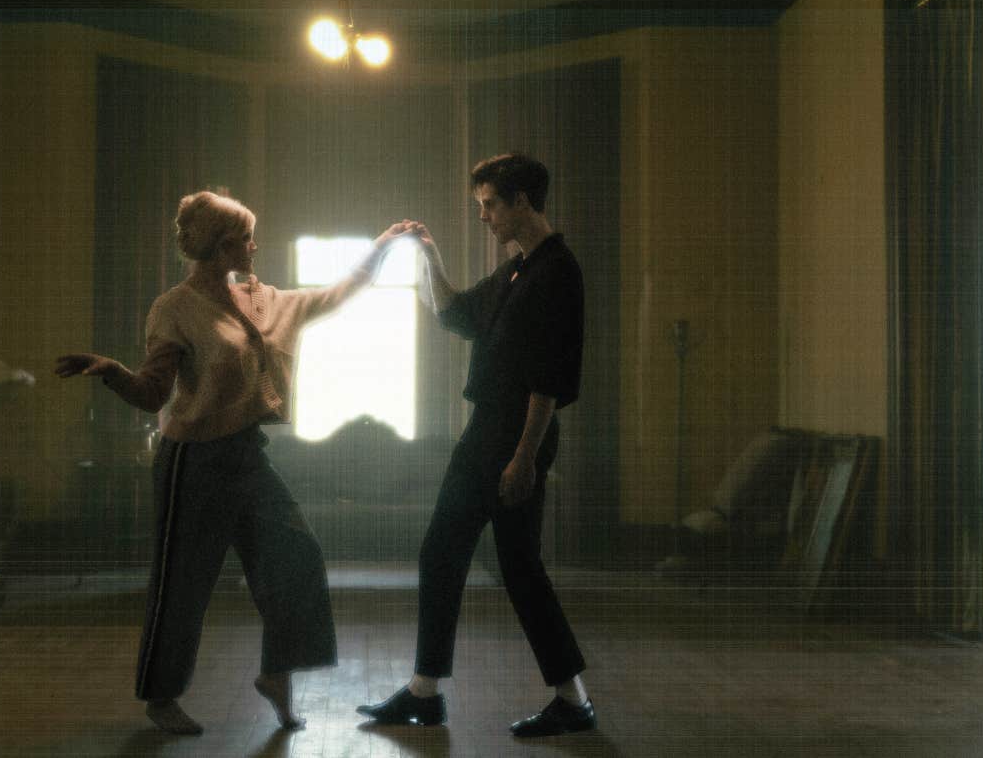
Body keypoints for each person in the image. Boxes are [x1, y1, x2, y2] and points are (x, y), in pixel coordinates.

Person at [56, 191, 405, 735]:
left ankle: (277, 674)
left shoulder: (268, 301)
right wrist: (112, 371)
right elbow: (153, 395)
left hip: (245, 456)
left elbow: (339, 293)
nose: (254, 244)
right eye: (245, 237)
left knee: (299, 556)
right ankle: (161, 695)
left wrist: (382, 247)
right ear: (221, 246)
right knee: (184, 585)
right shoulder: (175, 308)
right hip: (191, 463)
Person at [356, 154, 595, 738]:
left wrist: (524, 456)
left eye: (490, 204)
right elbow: (455, 313)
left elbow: (549, 378)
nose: (485, 216)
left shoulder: (556, 271)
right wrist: (428, 255)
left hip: (510, 436)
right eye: (480, 206)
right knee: (482, 560)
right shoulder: (517, 270)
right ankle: (439, 691)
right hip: (489, 430)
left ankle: (553, 699)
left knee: (492, 562)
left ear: (521, 201)